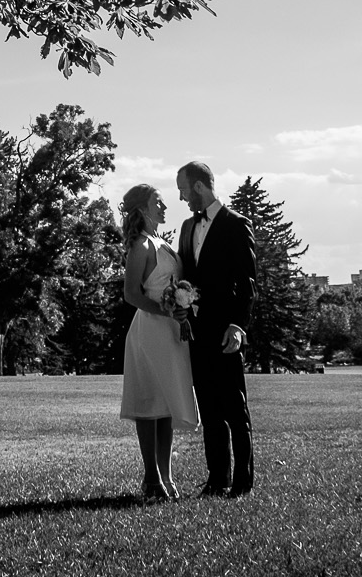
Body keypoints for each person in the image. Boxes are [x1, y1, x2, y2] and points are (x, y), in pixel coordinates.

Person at [177, 160, 255, 496]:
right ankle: (217, 478)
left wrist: (238, 325)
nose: (181, 198)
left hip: (226, 332)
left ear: (198, 186)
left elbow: (248, 283)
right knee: (209, 408)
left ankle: (242, 482)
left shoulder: (237, 224)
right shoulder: (185, 227)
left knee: (235, 409)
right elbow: (187, 278)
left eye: (183, 190)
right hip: (197, 331)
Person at [118, 183, 198, 500]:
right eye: (159, 202)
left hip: (171, 330)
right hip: (150, 329)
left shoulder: (160, 242)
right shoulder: (140, 245)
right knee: (149, 402)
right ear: (143, 208)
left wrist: (180, 307)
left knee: (164, 405)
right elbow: (131, 293)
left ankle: (166, 476)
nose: (165, 207)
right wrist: (165, 311)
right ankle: (152, 479)